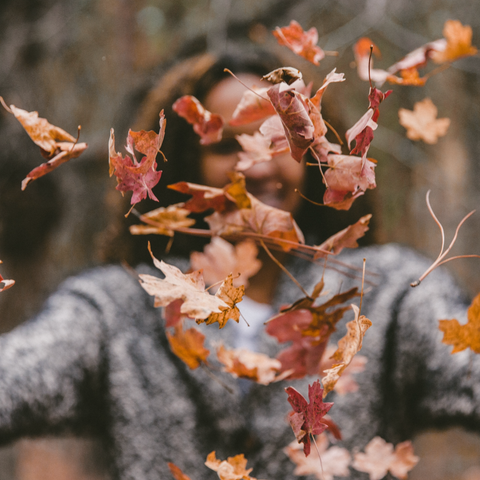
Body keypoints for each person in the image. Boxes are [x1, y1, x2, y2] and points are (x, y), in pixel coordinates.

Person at [0, 40, 478, 480]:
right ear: (188, 164)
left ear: (316, 153)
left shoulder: (388, 291)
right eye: (228, 147)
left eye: (279, 141)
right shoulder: (118, 306)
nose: (260, 166)